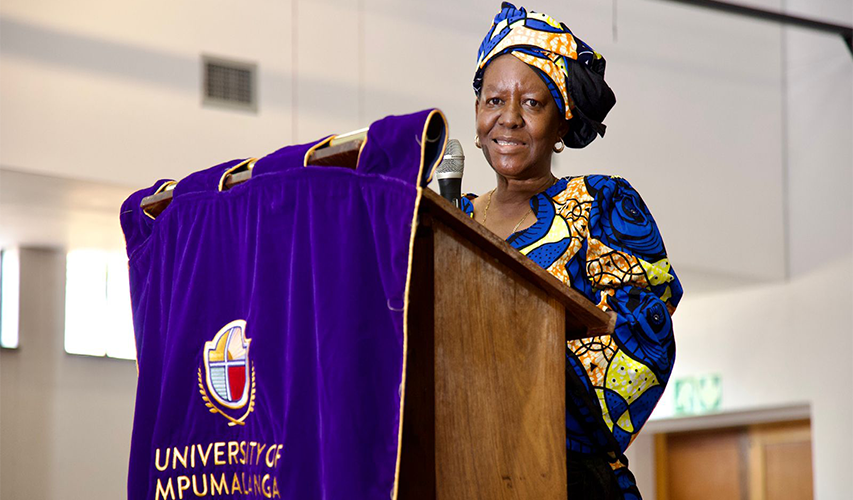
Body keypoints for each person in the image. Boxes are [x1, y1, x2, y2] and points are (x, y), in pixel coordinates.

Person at [461, 3, 684, 499]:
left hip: (565, 474)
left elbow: (645, 337)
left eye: (532, 103)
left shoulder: (600, 203)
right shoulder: (449, 217)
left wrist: (515, 371)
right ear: (477, 113)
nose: (509, 119)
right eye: (494, 100)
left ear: (562, 123)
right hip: (458, 464)